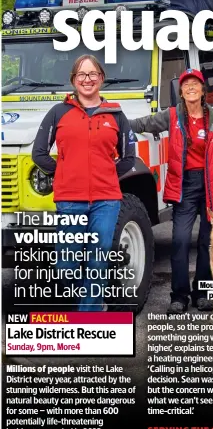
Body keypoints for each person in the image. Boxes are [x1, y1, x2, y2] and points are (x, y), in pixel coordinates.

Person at [32, 54, 135, 311]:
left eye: (92, 75)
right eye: (81, 75)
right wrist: (65, 172)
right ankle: (92, 296)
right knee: (65, 266)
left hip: (106, 201)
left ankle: (89, 314)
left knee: (98, 258)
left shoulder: (116, 114)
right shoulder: (58, 113)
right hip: (69, 200)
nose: (87, 80)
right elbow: (39, 154)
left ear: (101, 78)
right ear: (73, 80)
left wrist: (108, 175)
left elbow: (129, 157)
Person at [129, 68, 213, 314]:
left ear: (202, 89)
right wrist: (113, 121)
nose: (190, 88)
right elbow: (144, 123)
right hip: (184, 186)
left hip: (211, 187)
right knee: (180, 241)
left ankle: (203, 295)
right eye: (185, 85)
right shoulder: (173, 116)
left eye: (194, 84)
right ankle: (179, 296)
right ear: (181, 91)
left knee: (209, 242)